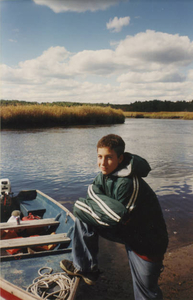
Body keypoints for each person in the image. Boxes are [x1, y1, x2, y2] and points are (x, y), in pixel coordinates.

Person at [60, 134, 168, 299]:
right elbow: (92, 193)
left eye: (109, 158)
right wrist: (91, 202)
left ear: (120, 158)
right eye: (100, 157)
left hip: (147, 242)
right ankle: (86, 269)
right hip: (127, 231)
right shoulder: (104, 175)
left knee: (146, 293)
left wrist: (85, 204)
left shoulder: (129, 184)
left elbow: (116, 217)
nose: (102, 163)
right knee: (83, 217)